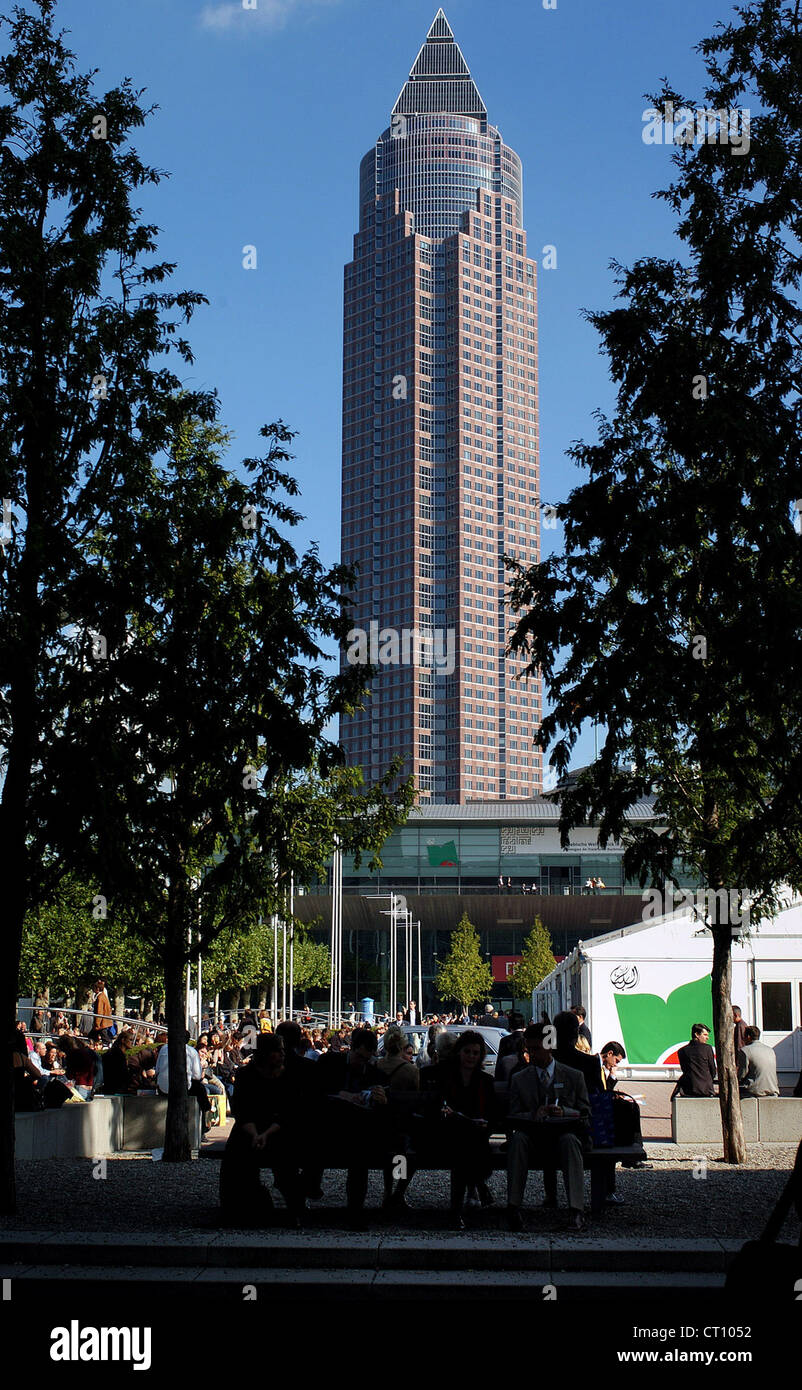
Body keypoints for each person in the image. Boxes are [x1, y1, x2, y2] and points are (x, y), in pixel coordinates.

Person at [506, 1022, 590, 1232]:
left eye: (536, 1049)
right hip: (532, 1138)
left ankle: (576, 1211)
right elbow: (512, 1115)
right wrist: (533, 1115)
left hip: (563, 1136)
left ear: (550, 1046)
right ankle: (513, 1208)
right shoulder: (519, 1078)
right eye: (528, 1049)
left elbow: (586, 1113)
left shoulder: (574, 1076)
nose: (530, 1055)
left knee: (570, 1142)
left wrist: (566, 1112)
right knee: (518, 1140)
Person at [219, 1034, 304, 1224]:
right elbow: (242, 1110)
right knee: (236, 1151)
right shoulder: (245, 1075)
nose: (282, 1055)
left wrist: (265, 1133)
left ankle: (293, 1206)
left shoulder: (290, 1076)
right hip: (251, 1128)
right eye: (277, 1051)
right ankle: (237, 1205)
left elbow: (290, 1111)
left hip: (279, 1129)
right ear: (265, 1054)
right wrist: (256, 1133)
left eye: (282, 1050)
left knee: (286, 1152)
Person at [314, 1026, 391, 1227]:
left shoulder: (375, 1074)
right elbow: (315, 1096)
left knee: (360, 1156)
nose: (362, 1063)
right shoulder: (330, 1063)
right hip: (330, 1129)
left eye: (367, 1059)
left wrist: (382, 1100)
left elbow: (386, 1110)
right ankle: (312, 1186)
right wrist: (342, 1094)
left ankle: (355, 1212)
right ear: (351, 1049)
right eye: (360, 1057)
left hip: (359, 1134)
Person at [434, 1029, 498, 1228]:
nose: (471, 1056)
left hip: (474, 1137)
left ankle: (456, 1211)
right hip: (447, 1133)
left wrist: (487, 1123)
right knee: (464, 1144)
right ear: (459, 1052)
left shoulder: (485, 1081)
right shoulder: (446, 1077)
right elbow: (436, 1106)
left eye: (475, 1053)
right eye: (467, 1052)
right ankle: (478, 1185)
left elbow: (494, 1114)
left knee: (465, 1147)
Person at [673, 1024, 717, 1098]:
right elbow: (713, 1070)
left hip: (688, 1089)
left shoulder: (682, 1051)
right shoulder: (707, 1049)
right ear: (696, 1034)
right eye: (705, 1035)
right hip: (706, 1089)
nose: (707, 1038)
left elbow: (685, 1070)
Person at [737, 1026, 780, 1096]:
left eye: (743, 1037)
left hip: (754, 1090)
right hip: (773, 1089)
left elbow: (742, 1074)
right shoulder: (770, 1050)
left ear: (748, 1037)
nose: (743, 1039)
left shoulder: (745, 1050)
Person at [92, 978, 113, 1042]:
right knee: (93, 1036)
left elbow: (99, 1011)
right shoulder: (103, 996)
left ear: (97, 989)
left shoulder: (100, 998)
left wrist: (97, 1024)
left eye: (94, 988)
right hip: (104, 1022)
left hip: (102, 1023)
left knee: (104, 1038)